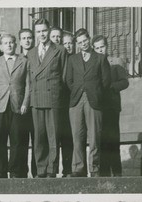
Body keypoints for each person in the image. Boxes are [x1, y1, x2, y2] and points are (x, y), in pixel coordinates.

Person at [66, 28, 111, 177]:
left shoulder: (100, 58)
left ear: (89, 39)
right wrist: (79, 90)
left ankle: (95, 169)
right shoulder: (72, 59)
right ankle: (78, 168)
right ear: (77, 44)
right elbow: (69, 80)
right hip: (76, 101)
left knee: (94, 137)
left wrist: (95, 92)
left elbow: (106, 82)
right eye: (80, 42)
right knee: (77, 137)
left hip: (94, 101)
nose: (83, 44)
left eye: (85, 40)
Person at [27, 18, 67, 178]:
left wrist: (58, 96)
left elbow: (64, 77)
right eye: (38, 31)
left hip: (53, 98)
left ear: (49, 30)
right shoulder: (31, 53)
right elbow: (29, 79)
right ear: (35, 33)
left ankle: (51, 169)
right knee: (39, 137)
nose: (41, 34)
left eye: (44, 31)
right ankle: (41, 169)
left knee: (53, 136)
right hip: (36, 99)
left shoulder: (60, 50)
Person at [0, 34, 30, 178]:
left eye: (11, 42)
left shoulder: (24, 61)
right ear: (1, 46)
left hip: (17, 105)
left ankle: (15, 171)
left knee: (17, 139)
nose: (9, 45)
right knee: (0, 139)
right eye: (6, 43)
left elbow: (28, 85)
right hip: (0, 105)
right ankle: (0, 171)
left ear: (16, 44)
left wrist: (25, 103)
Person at [92, 35, 129, 177]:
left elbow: (124, 82)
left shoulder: (116, 62)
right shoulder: (93, 63)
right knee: (100, 141)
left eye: (102, 46)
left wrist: (111, 87)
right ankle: (104, 174)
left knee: (113, 140)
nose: (100, 50)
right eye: (97, 48)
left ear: (107, 46)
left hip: (112, 106)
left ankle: (117, 173)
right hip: (98, 107)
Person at [18, 28, 37, 178]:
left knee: (37, 139)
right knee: (21, 139)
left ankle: (37, 172)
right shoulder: (16, 58)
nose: (27, 41)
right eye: (24, 38)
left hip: (36, 103)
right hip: (21, 106)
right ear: (20, 41)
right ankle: (21, 172)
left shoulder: (39, 56)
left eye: (29, 38)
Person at [60, 32, 75, 177]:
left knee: (70, 137)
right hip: (60, 103)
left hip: (73, 102)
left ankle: (69, 170)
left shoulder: (76, 59)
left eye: (70, 43)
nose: (68, 46)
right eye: (65, 43)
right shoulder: (59, 60)